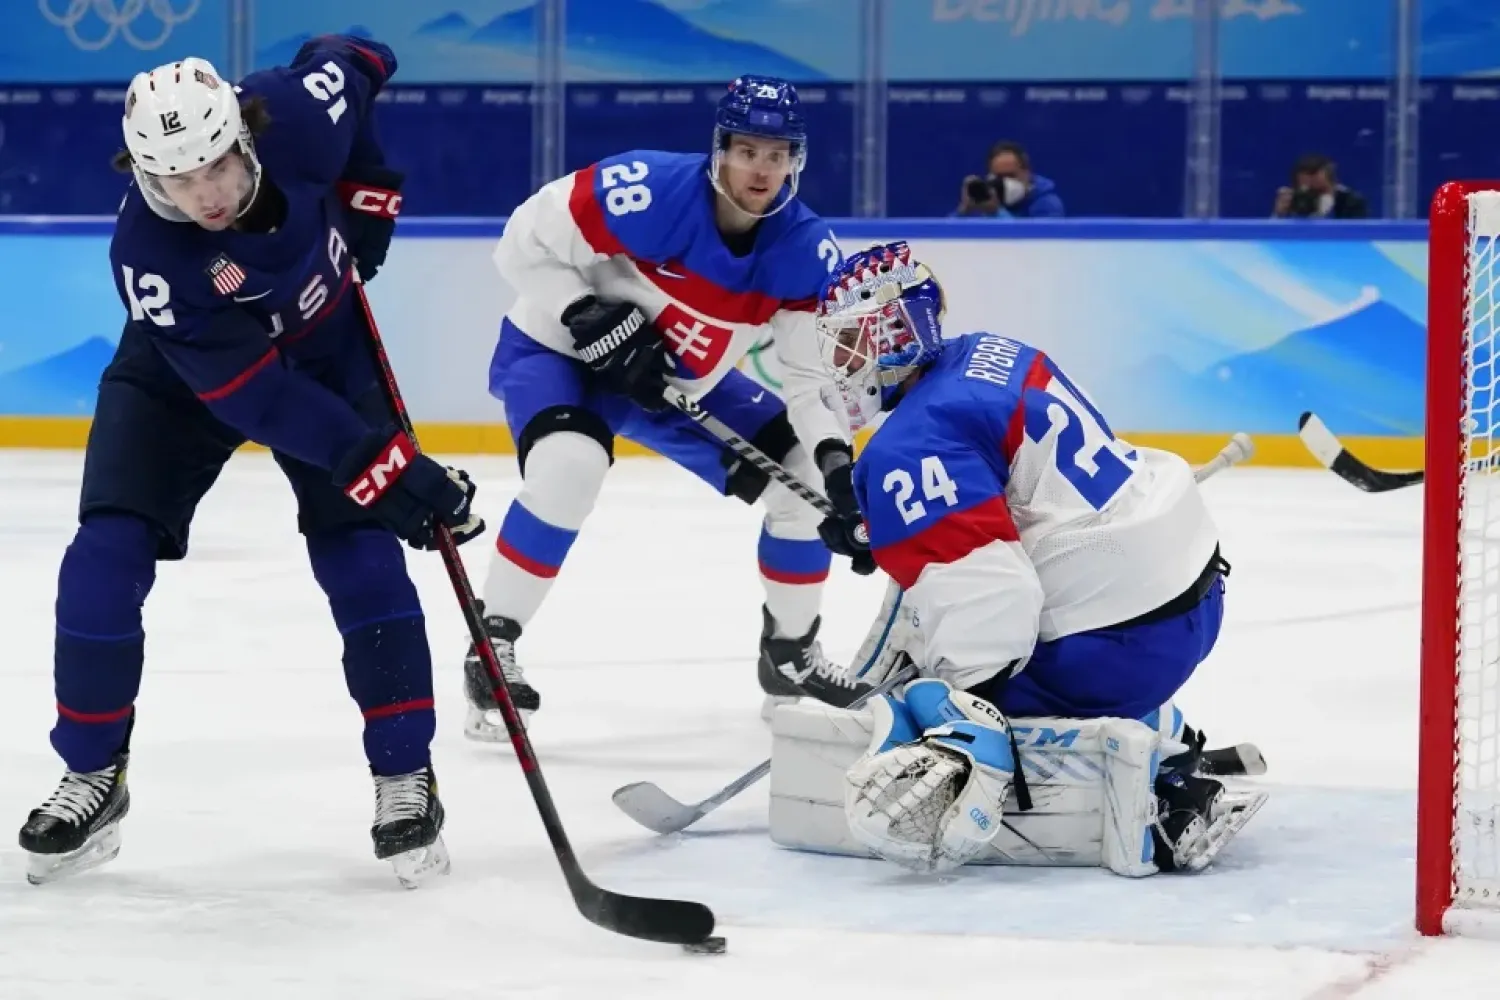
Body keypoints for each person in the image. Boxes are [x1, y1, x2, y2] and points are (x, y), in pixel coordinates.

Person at [16, 37, 484, 889]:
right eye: (173, 182)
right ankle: (94, 770)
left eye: (215, 169)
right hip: (183, 376)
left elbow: (361, 57)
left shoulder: (298, 110)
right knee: (102, 560)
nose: (202, 196)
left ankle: (402, 776)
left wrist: (370, 197)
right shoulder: (151, 258)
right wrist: (384, 467)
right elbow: (260, 401)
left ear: (246, 135)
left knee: (363, 559)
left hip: (330, 352)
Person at [814, 241, 1251, 875]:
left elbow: (989, 600)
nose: (844, 362)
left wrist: (964, 698)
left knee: (919, 693)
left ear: (893, 333)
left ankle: (1144, 783)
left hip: (1117, 643)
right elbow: (1009, 487)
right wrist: (885, 523)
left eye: (851, 340)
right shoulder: (992, 351)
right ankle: (1163, 728)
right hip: (1194, 597)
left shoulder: (906, 445)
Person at [461, 75, 877, 741]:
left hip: (679, 389)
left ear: (796, 159)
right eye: (748, 151)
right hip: (562, 354)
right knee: (569, 469)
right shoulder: (645, 188)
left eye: (777, 154)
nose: (761, 169)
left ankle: (790, 654)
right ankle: (493, 644)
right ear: (719, 150)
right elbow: (519, 243)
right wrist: (583, 311)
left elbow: (808, 379)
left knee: (798, 481)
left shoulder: (803, 248)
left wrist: (834, 467)